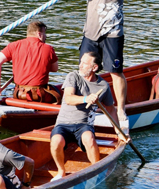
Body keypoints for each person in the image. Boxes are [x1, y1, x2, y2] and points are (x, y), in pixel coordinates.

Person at [59, 0, 128, 122]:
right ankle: (82, 106)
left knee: (115, 72)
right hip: (90, 34)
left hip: (111, 34)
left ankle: (120, 110)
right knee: (84, 70)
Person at [49, 51, 125, 181]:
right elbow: (68, 98)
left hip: (83, 125)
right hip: (63, 124)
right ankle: (61, 172)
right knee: (56, 141)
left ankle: (96, 172)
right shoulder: (73, 76)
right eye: (81, 62)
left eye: (84, 63)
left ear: (94, 68)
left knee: (89, 138)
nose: (80, 65)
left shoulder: (103, 86)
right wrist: (86, 99)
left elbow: (111, 110)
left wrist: (119, 133)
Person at [0, 20, 60, 103]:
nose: (45, 36)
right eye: (44, 33)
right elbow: (55, 69)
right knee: (63, 90)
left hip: (18, 94)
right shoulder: (48, 48)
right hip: (39, 96)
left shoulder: (14, 45)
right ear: (39, 34)